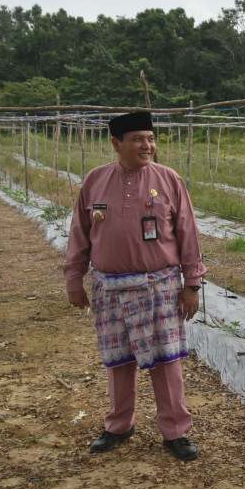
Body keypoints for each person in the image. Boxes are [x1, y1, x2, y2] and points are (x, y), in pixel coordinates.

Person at [64, 111, 206, 461]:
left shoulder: (169, 180)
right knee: (118, 360)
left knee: (165, 361)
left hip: (158, 287)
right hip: (108, 288)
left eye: (150, 138)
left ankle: (175, 430)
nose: (148, 145)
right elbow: (80, 234)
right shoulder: (95, 181)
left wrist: (192, 284)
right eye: (138, 139)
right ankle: (119, 424)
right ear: (117, 143)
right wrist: (74, 278)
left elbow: (188, 234)